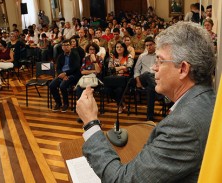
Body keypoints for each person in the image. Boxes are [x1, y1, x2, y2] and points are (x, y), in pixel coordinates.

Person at [76, 21, 216, 182]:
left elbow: (121, 180)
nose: (154, 68)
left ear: (183, 69)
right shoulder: (206, 99)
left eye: (160, 61)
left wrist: (91, 124)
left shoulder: (184, 125)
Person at [49, 39, 81, 112]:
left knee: (62, 86)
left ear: (70, 46)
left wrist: (66, 74)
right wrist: (62, 74)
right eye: (64, 45)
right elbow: (58, 68)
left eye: (67, 45)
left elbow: (75, 67)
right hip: (62, 75)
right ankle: (58, 103)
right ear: (62, 47)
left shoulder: (75, 55)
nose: (65, 47)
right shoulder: (60, 56)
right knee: (52, 85)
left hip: (73, 75)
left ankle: (66, 104)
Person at [134, 36, 157, 121]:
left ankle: (149, 117)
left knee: (151, 90)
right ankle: (162, 95)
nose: (148, 47)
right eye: (146, 45)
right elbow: (136, 70)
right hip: (143, 78)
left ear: (155, 45)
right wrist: (138, 81)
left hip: (154, 79)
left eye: (150, 45)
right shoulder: (142, 56)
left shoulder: (159, 55)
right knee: (147, 74)